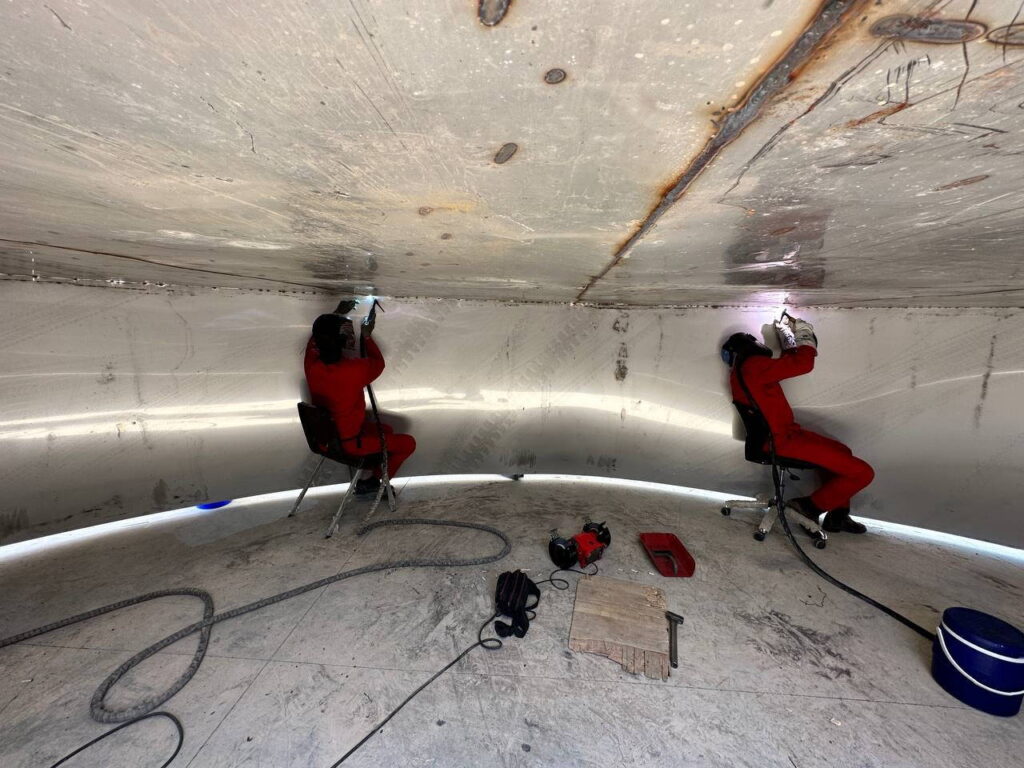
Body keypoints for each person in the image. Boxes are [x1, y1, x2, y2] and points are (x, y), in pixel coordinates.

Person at [721, 315, 874, 534]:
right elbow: (803, 364)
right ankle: (808, 507)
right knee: (863, 473)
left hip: (782, 437)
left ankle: (837, 516)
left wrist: (786, 336)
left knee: (842, 451)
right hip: (781, 441)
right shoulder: (753, 366)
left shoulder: (744, 372)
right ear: (749, 346)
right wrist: (804, 333)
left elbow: (786, 364)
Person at [303, 304, 416, 496]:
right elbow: (378, 364)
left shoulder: (312, 366)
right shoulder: (352, 370)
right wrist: (367, 336)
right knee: (407, 443)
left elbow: (315, 340)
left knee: (386, 430)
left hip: (328, 441)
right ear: (340, 340)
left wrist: (336, 314)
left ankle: (365, 478)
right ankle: (372, 482)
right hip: (349, 444)